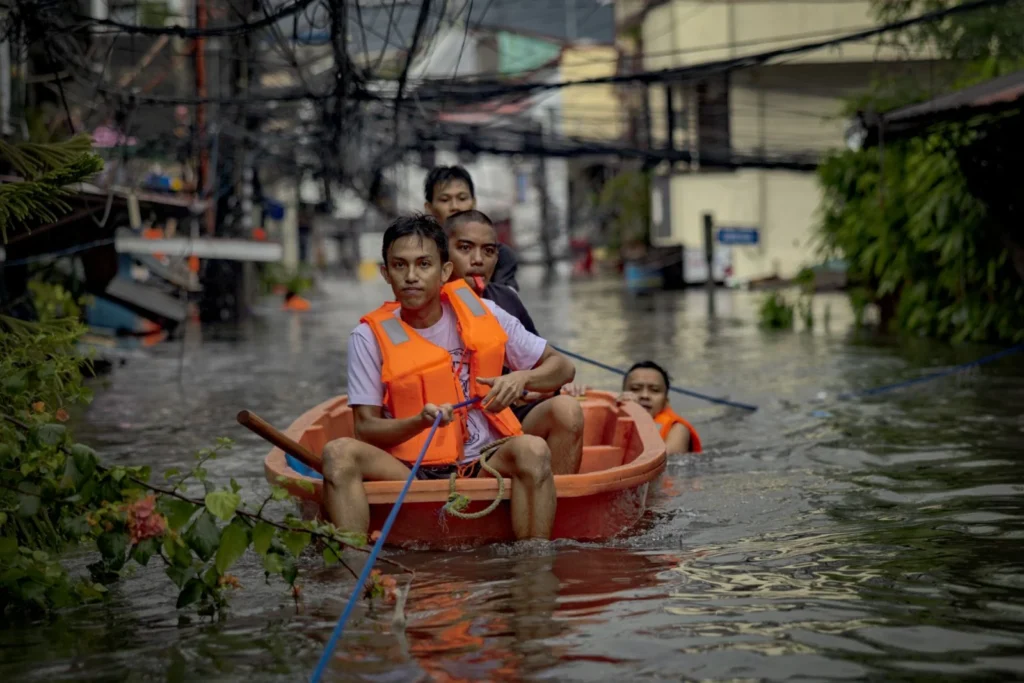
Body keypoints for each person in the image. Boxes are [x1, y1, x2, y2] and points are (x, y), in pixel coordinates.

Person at [322, 214, 580, 542]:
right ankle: (354, 571)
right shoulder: (367, 336)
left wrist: (522, 378)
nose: (411, 277)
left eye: (424, 264)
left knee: (533, 449)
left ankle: (534, 569)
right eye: (400, 266)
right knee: (337, 453)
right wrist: (418, 420)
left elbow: (563, 368)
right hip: (411, 468)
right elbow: (366, 428)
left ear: (444, 271)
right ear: (386, 273)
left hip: (484, 460)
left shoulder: (487, 313)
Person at [443, 209, 585, 450]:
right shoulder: (421, 307)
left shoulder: (502, 305)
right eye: (465, 249)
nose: (478, 260)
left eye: (488, 252)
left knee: (566, 410)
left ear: (497, 258)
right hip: (440, 428)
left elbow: (556, 367)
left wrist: (523, 380)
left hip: (501, 418)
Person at [565, 361, 702, 455]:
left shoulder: (677, 429)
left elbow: (664, 463)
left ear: (666, 401)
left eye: (654, 390)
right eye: (635, 389)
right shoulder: (614, 414)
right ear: (623, 394)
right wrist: (575, 398)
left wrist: (640, 418)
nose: (644, 395)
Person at [423, 165, 520, 291]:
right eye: (445, 200)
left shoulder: (501, 256)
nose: (455, 206)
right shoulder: (420, 255)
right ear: (429, 208)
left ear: (473, 203)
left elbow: (507, 302)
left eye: (462, 198)